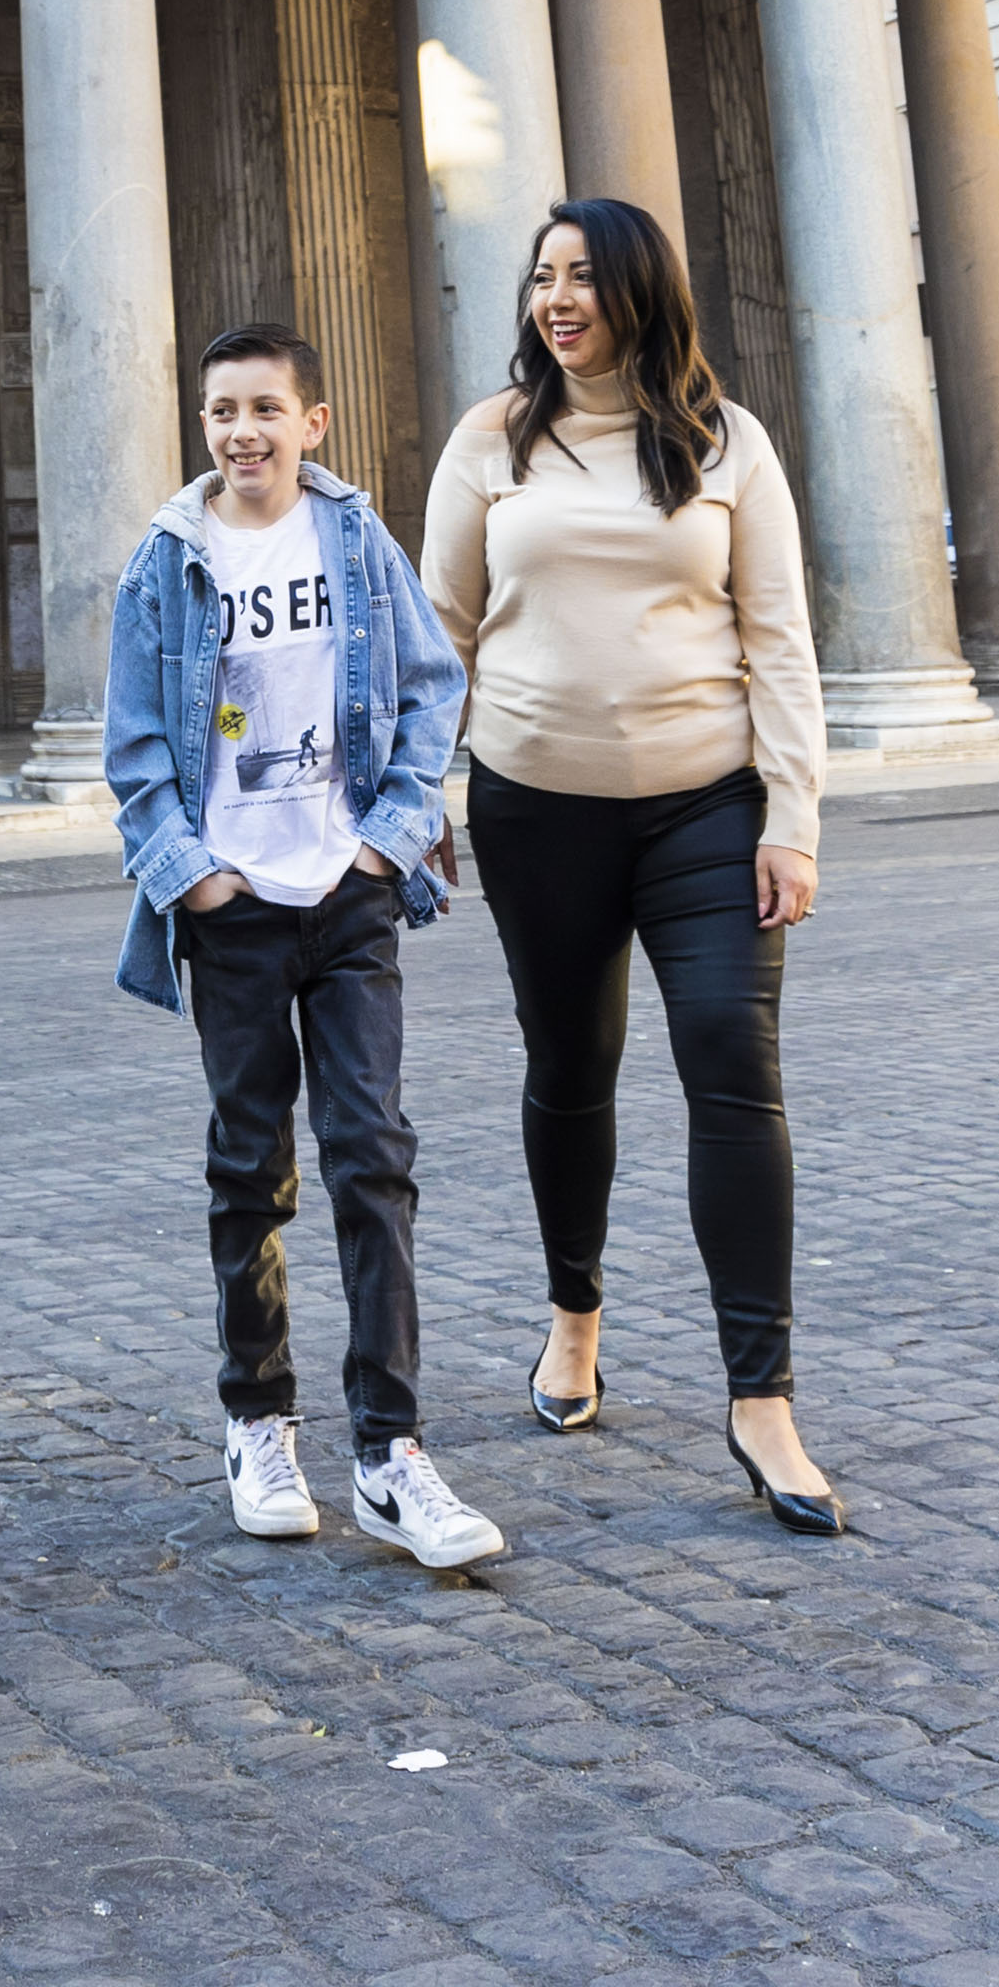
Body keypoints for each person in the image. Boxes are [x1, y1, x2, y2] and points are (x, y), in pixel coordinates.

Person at [422, 196, 840, 1534]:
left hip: (703, 806)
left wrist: (790, 816)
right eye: (540, 277)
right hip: (533, 807)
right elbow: (441, 627)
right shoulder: (489, 438)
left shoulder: (725, 443)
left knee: (729, 1053)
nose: (554, 300)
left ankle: (759, 1396)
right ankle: (572, 1316)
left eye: (581, 279)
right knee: (567, 1064)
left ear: (636, 294)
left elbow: (774, 635)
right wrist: (422, 784)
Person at [107, 321, 505, 1571]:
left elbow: (434, 684)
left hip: (347, 896)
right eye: (222, 411)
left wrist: (389, 840)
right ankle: (258, 1418)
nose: (243, 432)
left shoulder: (355, 542)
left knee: (373, 1154)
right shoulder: (165, 562)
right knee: (248, 1164)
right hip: (234, 909)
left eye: (267, 408)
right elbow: (136, 750)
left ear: (311, 423)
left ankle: (389, 1450)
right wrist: (198, 876)